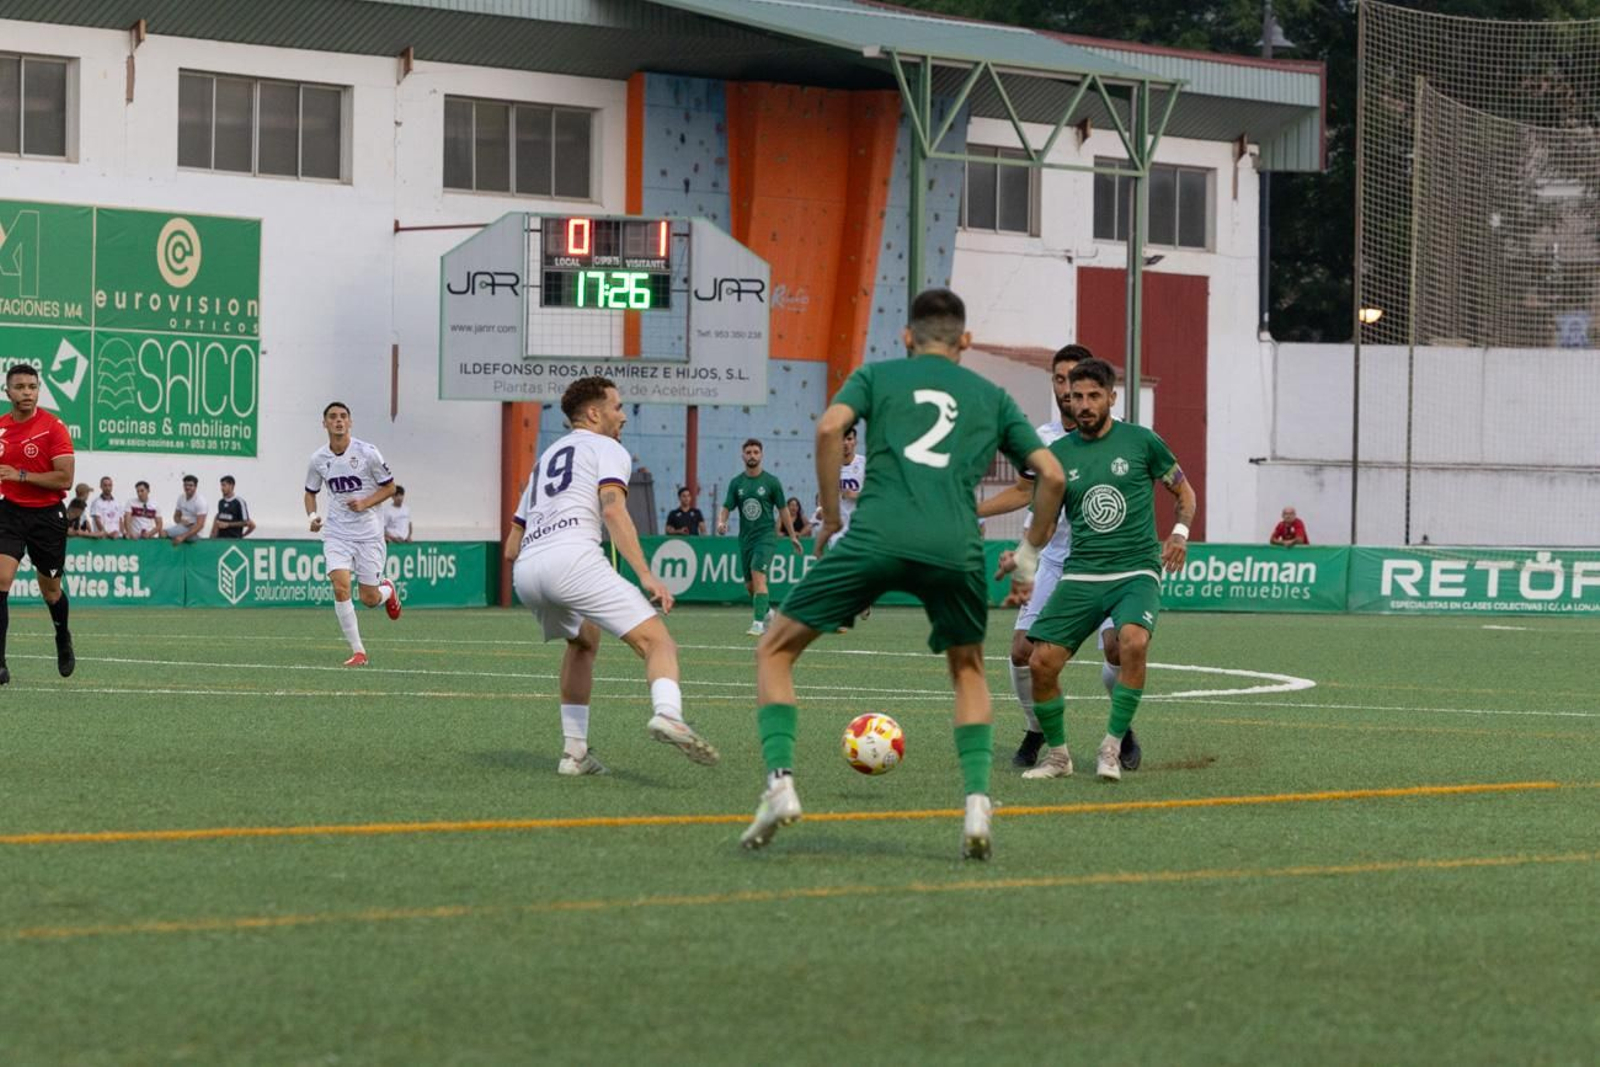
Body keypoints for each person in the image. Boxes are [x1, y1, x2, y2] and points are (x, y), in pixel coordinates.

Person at [741, 288, 1065, 860]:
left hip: (876, 536)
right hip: (955, 544)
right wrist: (1031, 556)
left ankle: (780, 784)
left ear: (907, 337)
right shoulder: (991, 395)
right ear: (964, 341)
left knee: (775, 649)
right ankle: (976, 805)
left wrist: (831, 518)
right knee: (967, 670)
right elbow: (1052, 477)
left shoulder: (878, 376)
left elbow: (826, 430)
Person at [506, 375, 718, 774]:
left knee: (583, 642)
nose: (622, 416)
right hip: (572, 559)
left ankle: (575, 755)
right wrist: (647, 575)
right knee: (658, 643)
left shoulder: (545, 460)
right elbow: (613, 510)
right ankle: (668, 714)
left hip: (528, 570)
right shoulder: (607, 448)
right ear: (593, 413)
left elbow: (510, 547)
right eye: (617, 407)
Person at [1021, 357, 1197, 783]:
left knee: (1132, 642)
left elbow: (1184, 492)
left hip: (1135, 570)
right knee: (1041, 662)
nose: (1083, 404)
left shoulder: (1142, 442)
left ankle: (1111, 748)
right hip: (1082, 574)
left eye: (1093, 396)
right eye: (1076, 396)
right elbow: (1042, 529)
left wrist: (1177, 534)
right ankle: (1059, 757)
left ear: (1111, 398)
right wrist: (1023, 560)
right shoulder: (1056, 457)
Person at [978, 344, 1135, 771]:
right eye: (1059, 380)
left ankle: (1123, 729)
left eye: (1074, 380)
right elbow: (1023, 492)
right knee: (1021, 652)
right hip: (1054, 559)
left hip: (1107, 561)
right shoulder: (1043, 439)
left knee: (1118, 649)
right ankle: (1036, 731)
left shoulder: (1120, 434)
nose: (1067, 390)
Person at [304, 402, 402, 666]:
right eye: (333, 417)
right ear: (324, 423)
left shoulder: (368, 453)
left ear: (350, 422)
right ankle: (359, 651)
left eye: (343, 417)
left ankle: (388, 591)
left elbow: (391, 488)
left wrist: (365, 503)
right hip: (337, 533)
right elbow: (310, 493)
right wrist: (313, 517)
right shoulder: (318, 459)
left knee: (369, 599)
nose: (338, 421)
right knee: (340, 586)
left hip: (369, 534)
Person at [0, 363, 77, 683]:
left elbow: (66, 478)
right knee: (0, 581)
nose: (26, 392)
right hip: (9, 512)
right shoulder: (1, 427)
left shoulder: (53, 427)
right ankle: (0, 663)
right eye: (20, 387)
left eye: (32, 387)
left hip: (47, 515)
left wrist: (21, 475)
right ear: (8, 391)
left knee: (51, 592)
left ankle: (62, 636)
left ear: (38, 390)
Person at [716, 438, 802, 636]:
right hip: (746, 539)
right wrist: (722, 522)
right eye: (749, 452)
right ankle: (770, 614)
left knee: (758, 574)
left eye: (756, 452)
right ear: (743, 455)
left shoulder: (771, 482)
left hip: (766, 537)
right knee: (750, 587)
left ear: (761, 455)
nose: (752, 455)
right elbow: (727, 506)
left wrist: (792, 536)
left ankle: (758, 624)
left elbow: (783, 510)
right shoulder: (736, 483)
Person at [168, 475, 208, 543]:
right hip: (183, 527)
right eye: (185, 485)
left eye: (190, 485)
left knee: (170, 535)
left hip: (195, 532)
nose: (187, 487)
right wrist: (180, 521)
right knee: (163, 533)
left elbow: (200, 525)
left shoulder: (200, 501)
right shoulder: (181, 497)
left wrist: (183, 536)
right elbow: (176, 517)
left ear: (195, 487)